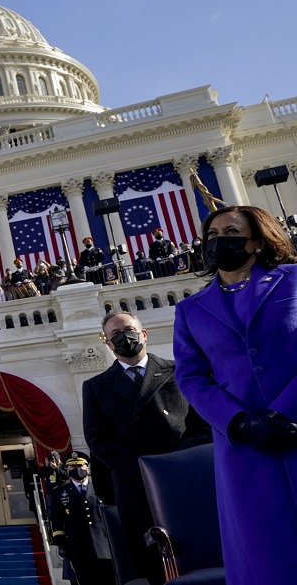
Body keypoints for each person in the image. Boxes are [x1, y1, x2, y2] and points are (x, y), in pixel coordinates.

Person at [173, 205, 297, 585]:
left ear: (257, 241)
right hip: (244, 447)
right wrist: (239, 422)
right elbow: (191, 378)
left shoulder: (293, 280)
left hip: (293, 426)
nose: (218, 240)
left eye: (230, 231)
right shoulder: (190, 310)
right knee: (265, 553)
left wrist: (283, 412)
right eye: (211, 235)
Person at [82, 311, 210, 584]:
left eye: (128, 329)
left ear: (144, 333)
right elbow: (97, 439)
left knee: (199, 555)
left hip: (185, 478)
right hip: (135, 485)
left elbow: (203, 424)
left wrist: (175, 462)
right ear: (107, 343)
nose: (123, 337)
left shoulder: (179, 371)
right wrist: (139, 465)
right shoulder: (95, 387)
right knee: (150, 563)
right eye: (114, 334)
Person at [49, 454, 113, 585]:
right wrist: (61, 542)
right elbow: (56, 521)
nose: (77, 468)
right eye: (72, 466)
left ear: (87, 468)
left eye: (80, 465)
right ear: (67, 469)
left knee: (110, 579)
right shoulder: (60, 493)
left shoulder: (101, 488)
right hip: (77, 546)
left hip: (104, 544)